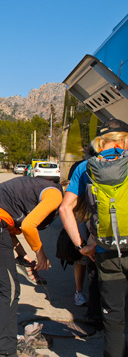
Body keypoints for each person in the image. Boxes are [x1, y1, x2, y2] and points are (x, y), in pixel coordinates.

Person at [0, 176, 64, 357]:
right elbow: (29, 225)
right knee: (10, 289)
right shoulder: (56, 195)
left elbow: (7, 230)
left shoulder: (29, 190)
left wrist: (24, 257)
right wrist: (40, 254)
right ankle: (6, 350)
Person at [59, 118, 128, 356]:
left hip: (105, 252)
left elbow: (65, 208)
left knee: (114, 317)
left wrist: (81, 246)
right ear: (125, 139)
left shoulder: (85, 167)